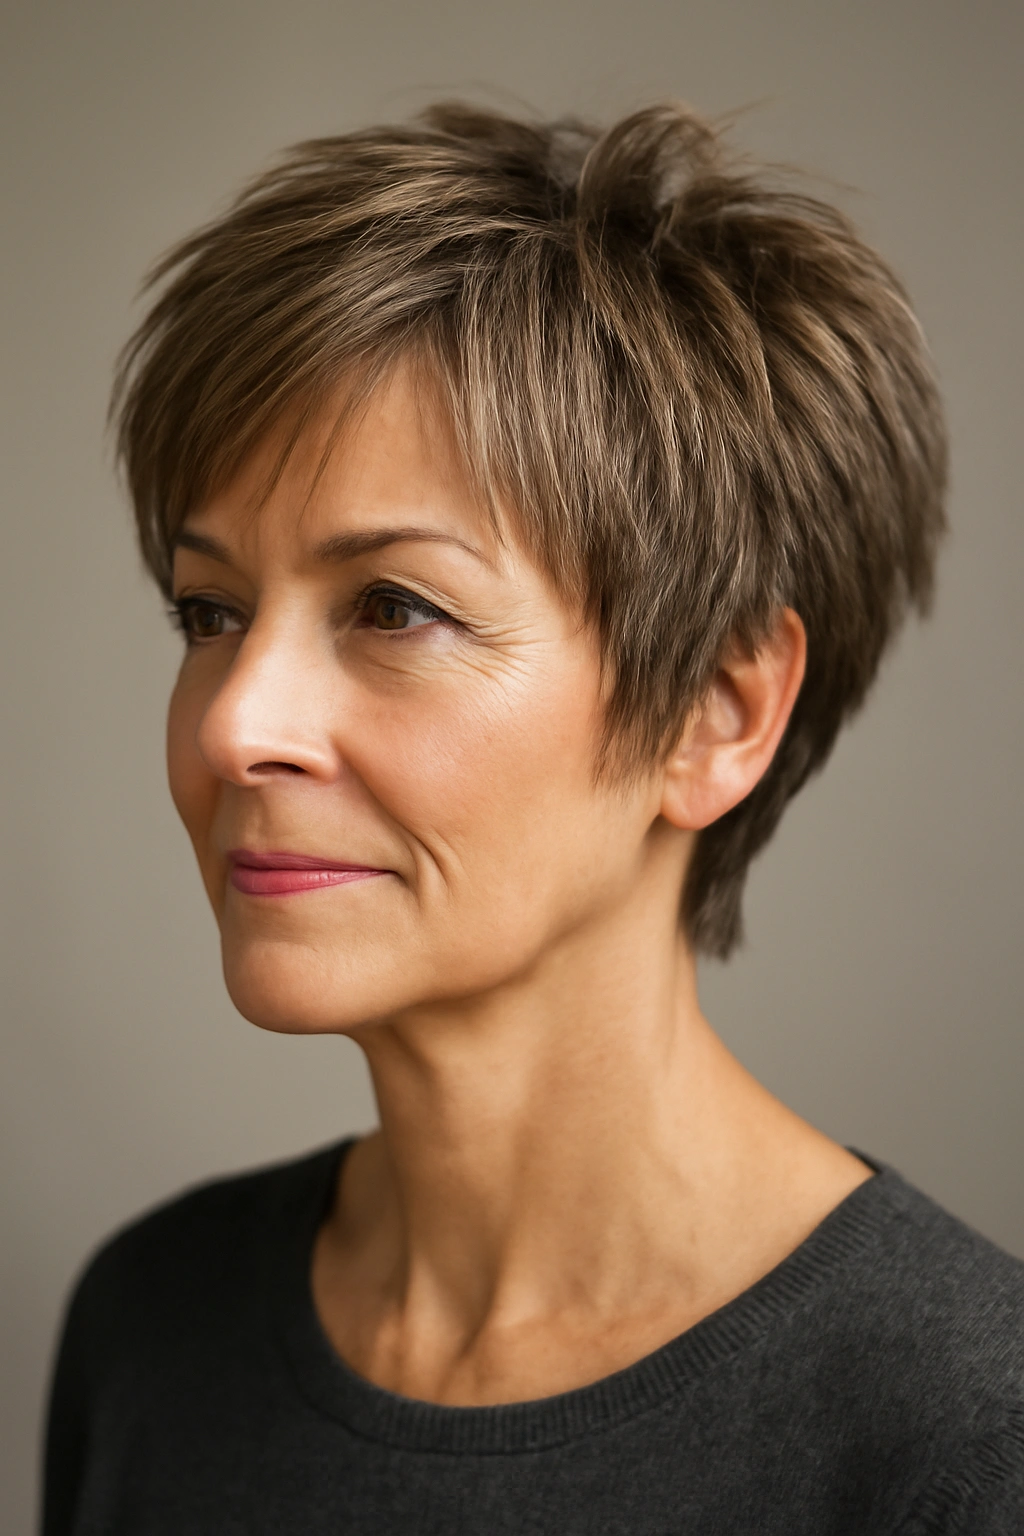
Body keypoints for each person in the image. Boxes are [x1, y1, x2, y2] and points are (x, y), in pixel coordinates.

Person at [43, 102, 1024, 1534]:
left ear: (717, 710)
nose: (236, 723)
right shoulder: (150, 1326)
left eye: (395, 608)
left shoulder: (960, 1436)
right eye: (211, 611)